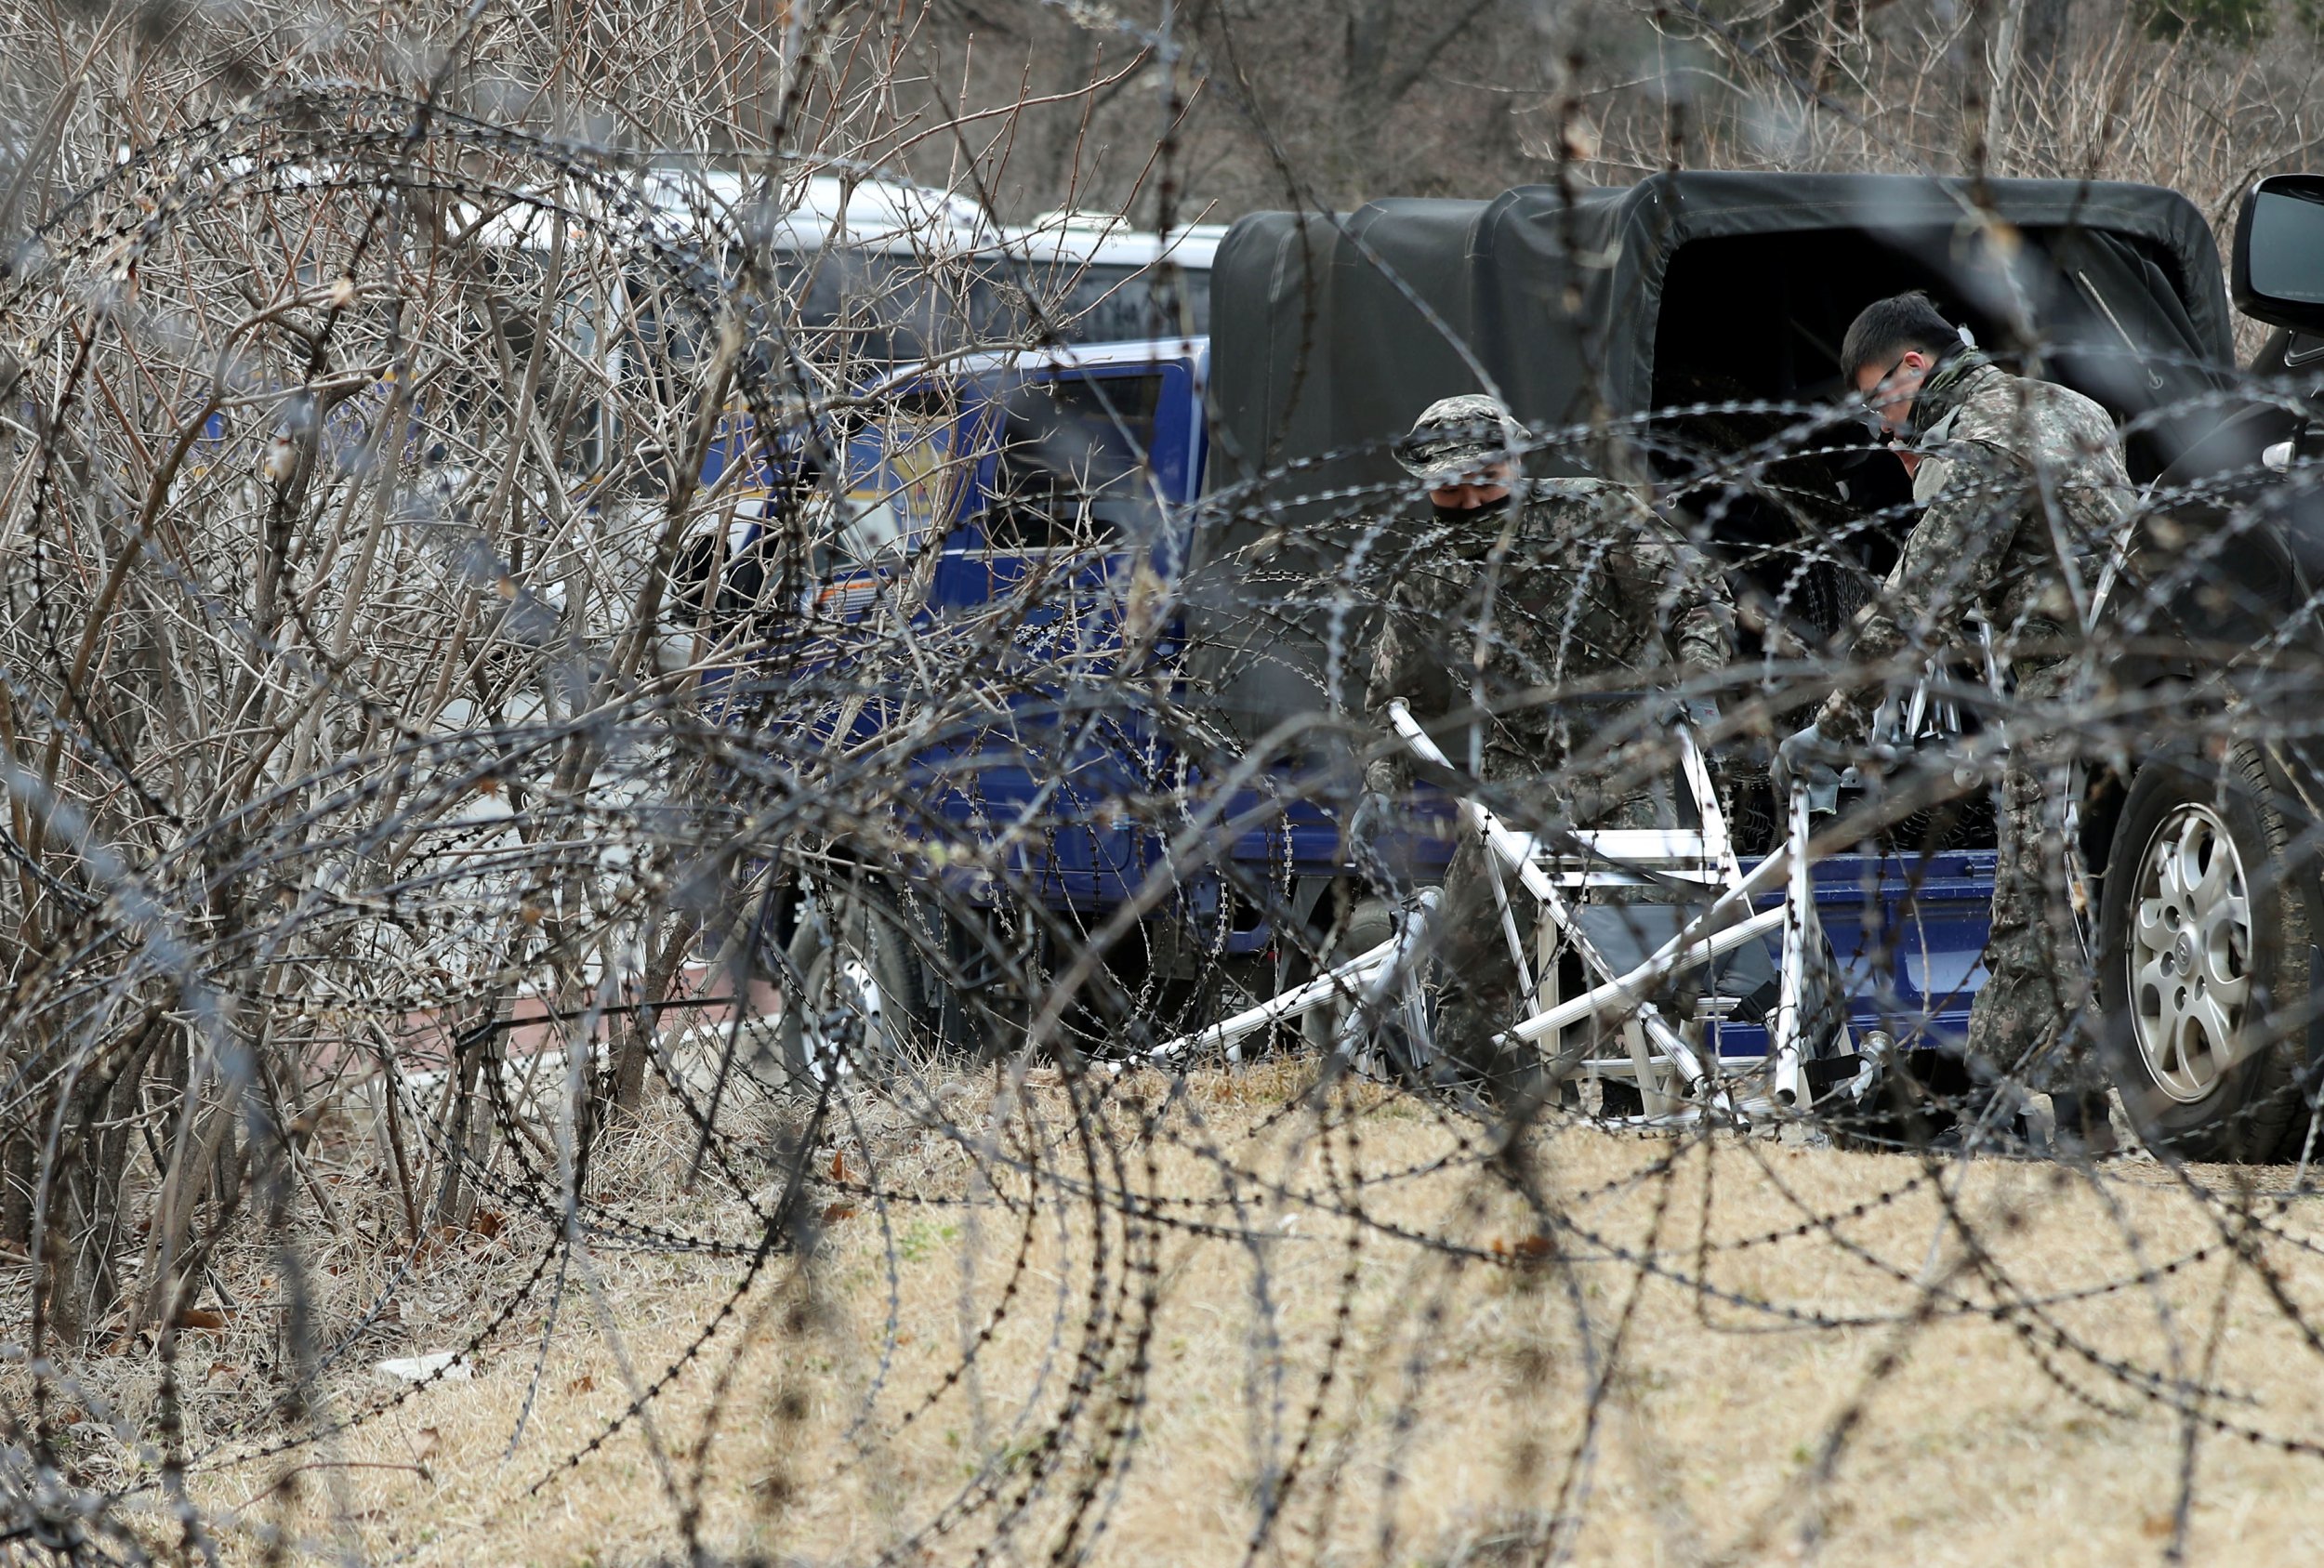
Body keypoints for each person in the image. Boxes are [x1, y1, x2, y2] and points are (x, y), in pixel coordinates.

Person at [1785, 291, 2135, 1151]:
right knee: (2049, 904)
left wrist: (1831, 727)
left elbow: (1918, 602)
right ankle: (2078, 1108)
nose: (1880, 429)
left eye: (1880, 401)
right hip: (2133, 691)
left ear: (1914, 366)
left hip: (2061, 699)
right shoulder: (2069, 406)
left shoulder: (1982, 443)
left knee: (2029, 905)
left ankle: (1973, 1099)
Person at [1361, 393, 1734, 1106]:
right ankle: (1487, 1105)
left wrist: (1699, 682)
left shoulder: (1595, 516)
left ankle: (1649, 1098)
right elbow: (1393, 698)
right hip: (1512, 785)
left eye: (1486, 484)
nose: (1470, 503)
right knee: (1468, 967)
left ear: (1519, 467)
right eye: (1449, 490)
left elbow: (1696, 597)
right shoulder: (1429, 570)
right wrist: (1382, 777)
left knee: (1639, 948)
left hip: (1628, 759)